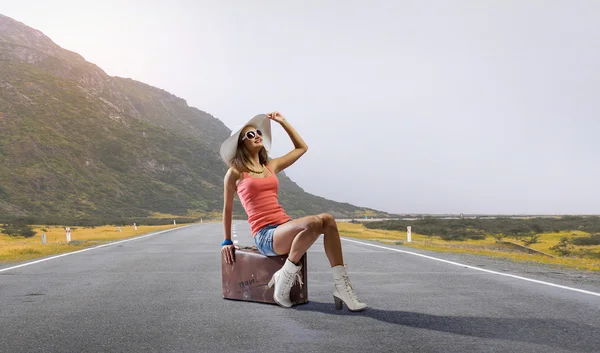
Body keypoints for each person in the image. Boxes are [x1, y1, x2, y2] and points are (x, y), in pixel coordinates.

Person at [219, 111, 367, 312]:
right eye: (250, 135)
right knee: (314, 222)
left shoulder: (271, 166)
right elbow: (227, 208)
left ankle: (342, 288)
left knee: (328, 220)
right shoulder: (235, 173)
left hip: (285, 227)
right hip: (266, 235)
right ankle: (284, 276)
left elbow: (302, 148)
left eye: (258, 132)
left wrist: (282, 122)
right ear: (241, 143)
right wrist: (226, 242)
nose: (257, 136)